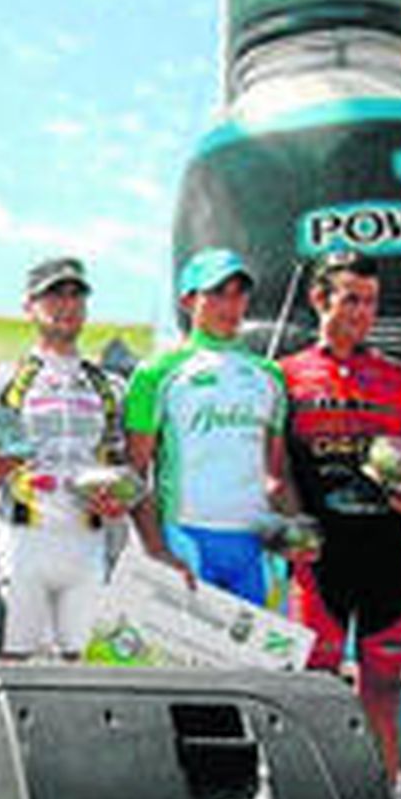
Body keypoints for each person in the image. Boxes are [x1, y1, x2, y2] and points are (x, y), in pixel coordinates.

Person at [281, 251, 401, 799]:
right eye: (349, 299)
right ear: (319, 301)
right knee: (317, 692)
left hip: (385, 553)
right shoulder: (288, 374)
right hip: (321, 557)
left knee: (382, 690)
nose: (361, 313)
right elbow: (274, 470)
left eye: (370, 302)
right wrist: (293, 525)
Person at [0, 256, 128, 659]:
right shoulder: (0, 381)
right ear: (29, 306)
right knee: (11, 668)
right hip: (23, 540)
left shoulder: (108, 386)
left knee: (83, 670)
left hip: (87, 543)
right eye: (54, 295)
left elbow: (122, 466)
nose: (66, 304)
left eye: (76, 295)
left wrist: (119, 495)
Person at [124, 247, 297, 604]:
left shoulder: (270, 375)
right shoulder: (157, 373)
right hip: (185, 539)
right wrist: (157, 550)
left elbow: (276, 476)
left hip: (254, 547)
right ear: (189, 301)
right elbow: (135, 474)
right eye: (217, 293)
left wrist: (296, 529)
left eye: (238, 293)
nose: (230, 305)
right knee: (190, 660)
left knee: (253, 662)